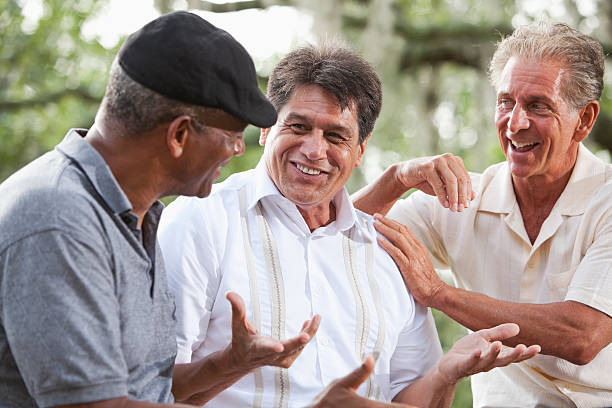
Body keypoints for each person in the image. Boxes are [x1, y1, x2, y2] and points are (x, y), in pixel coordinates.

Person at [0, 11, 399, 408]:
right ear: (179, 135)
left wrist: (231, 364)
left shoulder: (132, 217)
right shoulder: (58, 220)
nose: (239, 149)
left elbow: (146, 390)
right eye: (231, 134)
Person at [158, 43, 539, 408]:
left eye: (336, 136)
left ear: (360, 150)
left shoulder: (386, 250)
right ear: (265, 128)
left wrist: (446, 374)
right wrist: (230, 364)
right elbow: (147, 387)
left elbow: (409, 399)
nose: (314, 149)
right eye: (298, 127)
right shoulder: (200, 222)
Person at [353, 22, 612, 407]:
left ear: (586, 120)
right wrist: (395, 179)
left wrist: (438, 293)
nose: (516, 123)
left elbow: (582, 335)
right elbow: (335, 233)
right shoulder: (463, 198)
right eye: (506, 101)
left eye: (538, 105)